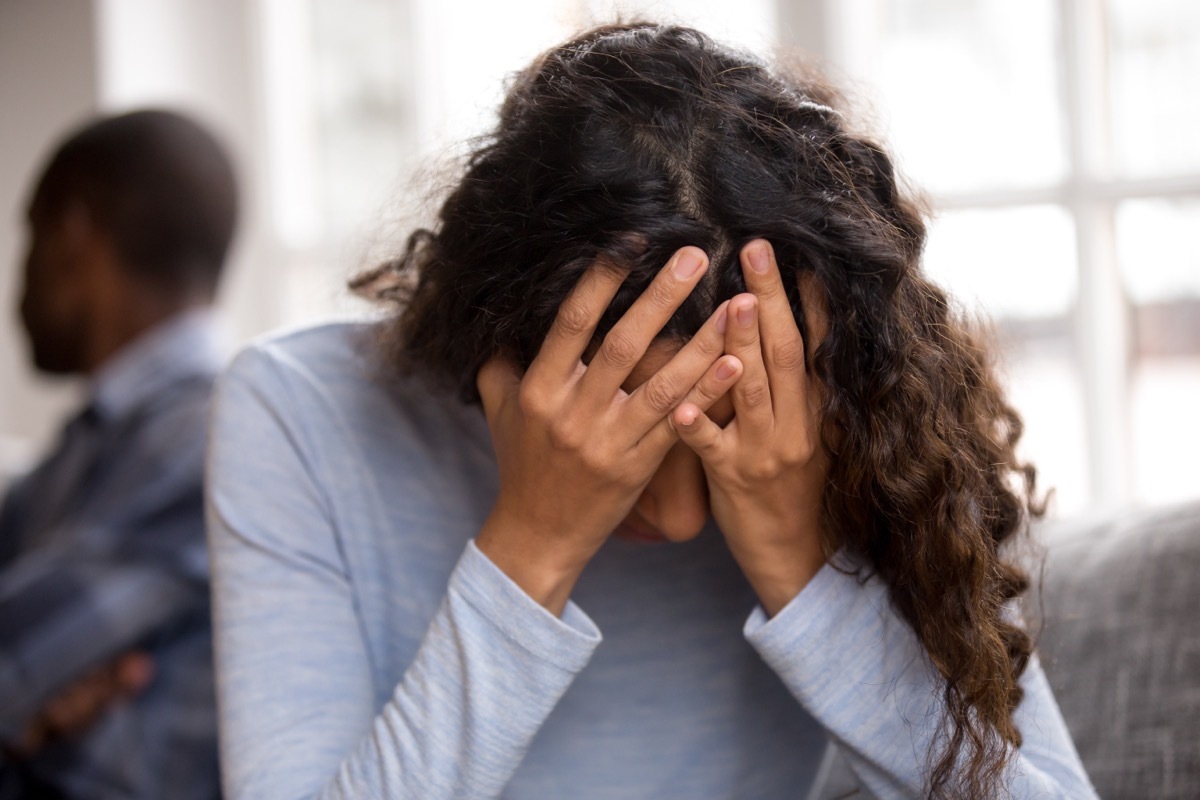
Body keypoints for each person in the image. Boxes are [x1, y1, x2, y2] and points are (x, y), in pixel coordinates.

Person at [206, 23, 1096, 799]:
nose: (675, 519)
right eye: (619, 430)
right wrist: (533, 547)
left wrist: (804, 572)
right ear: (497, 340)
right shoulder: (295, 412)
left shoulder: (876, 413)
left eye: (725, 430)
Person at [0, 109, 236, 799]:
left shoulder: (203, 433)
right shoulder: (98, 437)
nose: (17, 280)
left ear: (73, 239)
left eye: (29, 239)